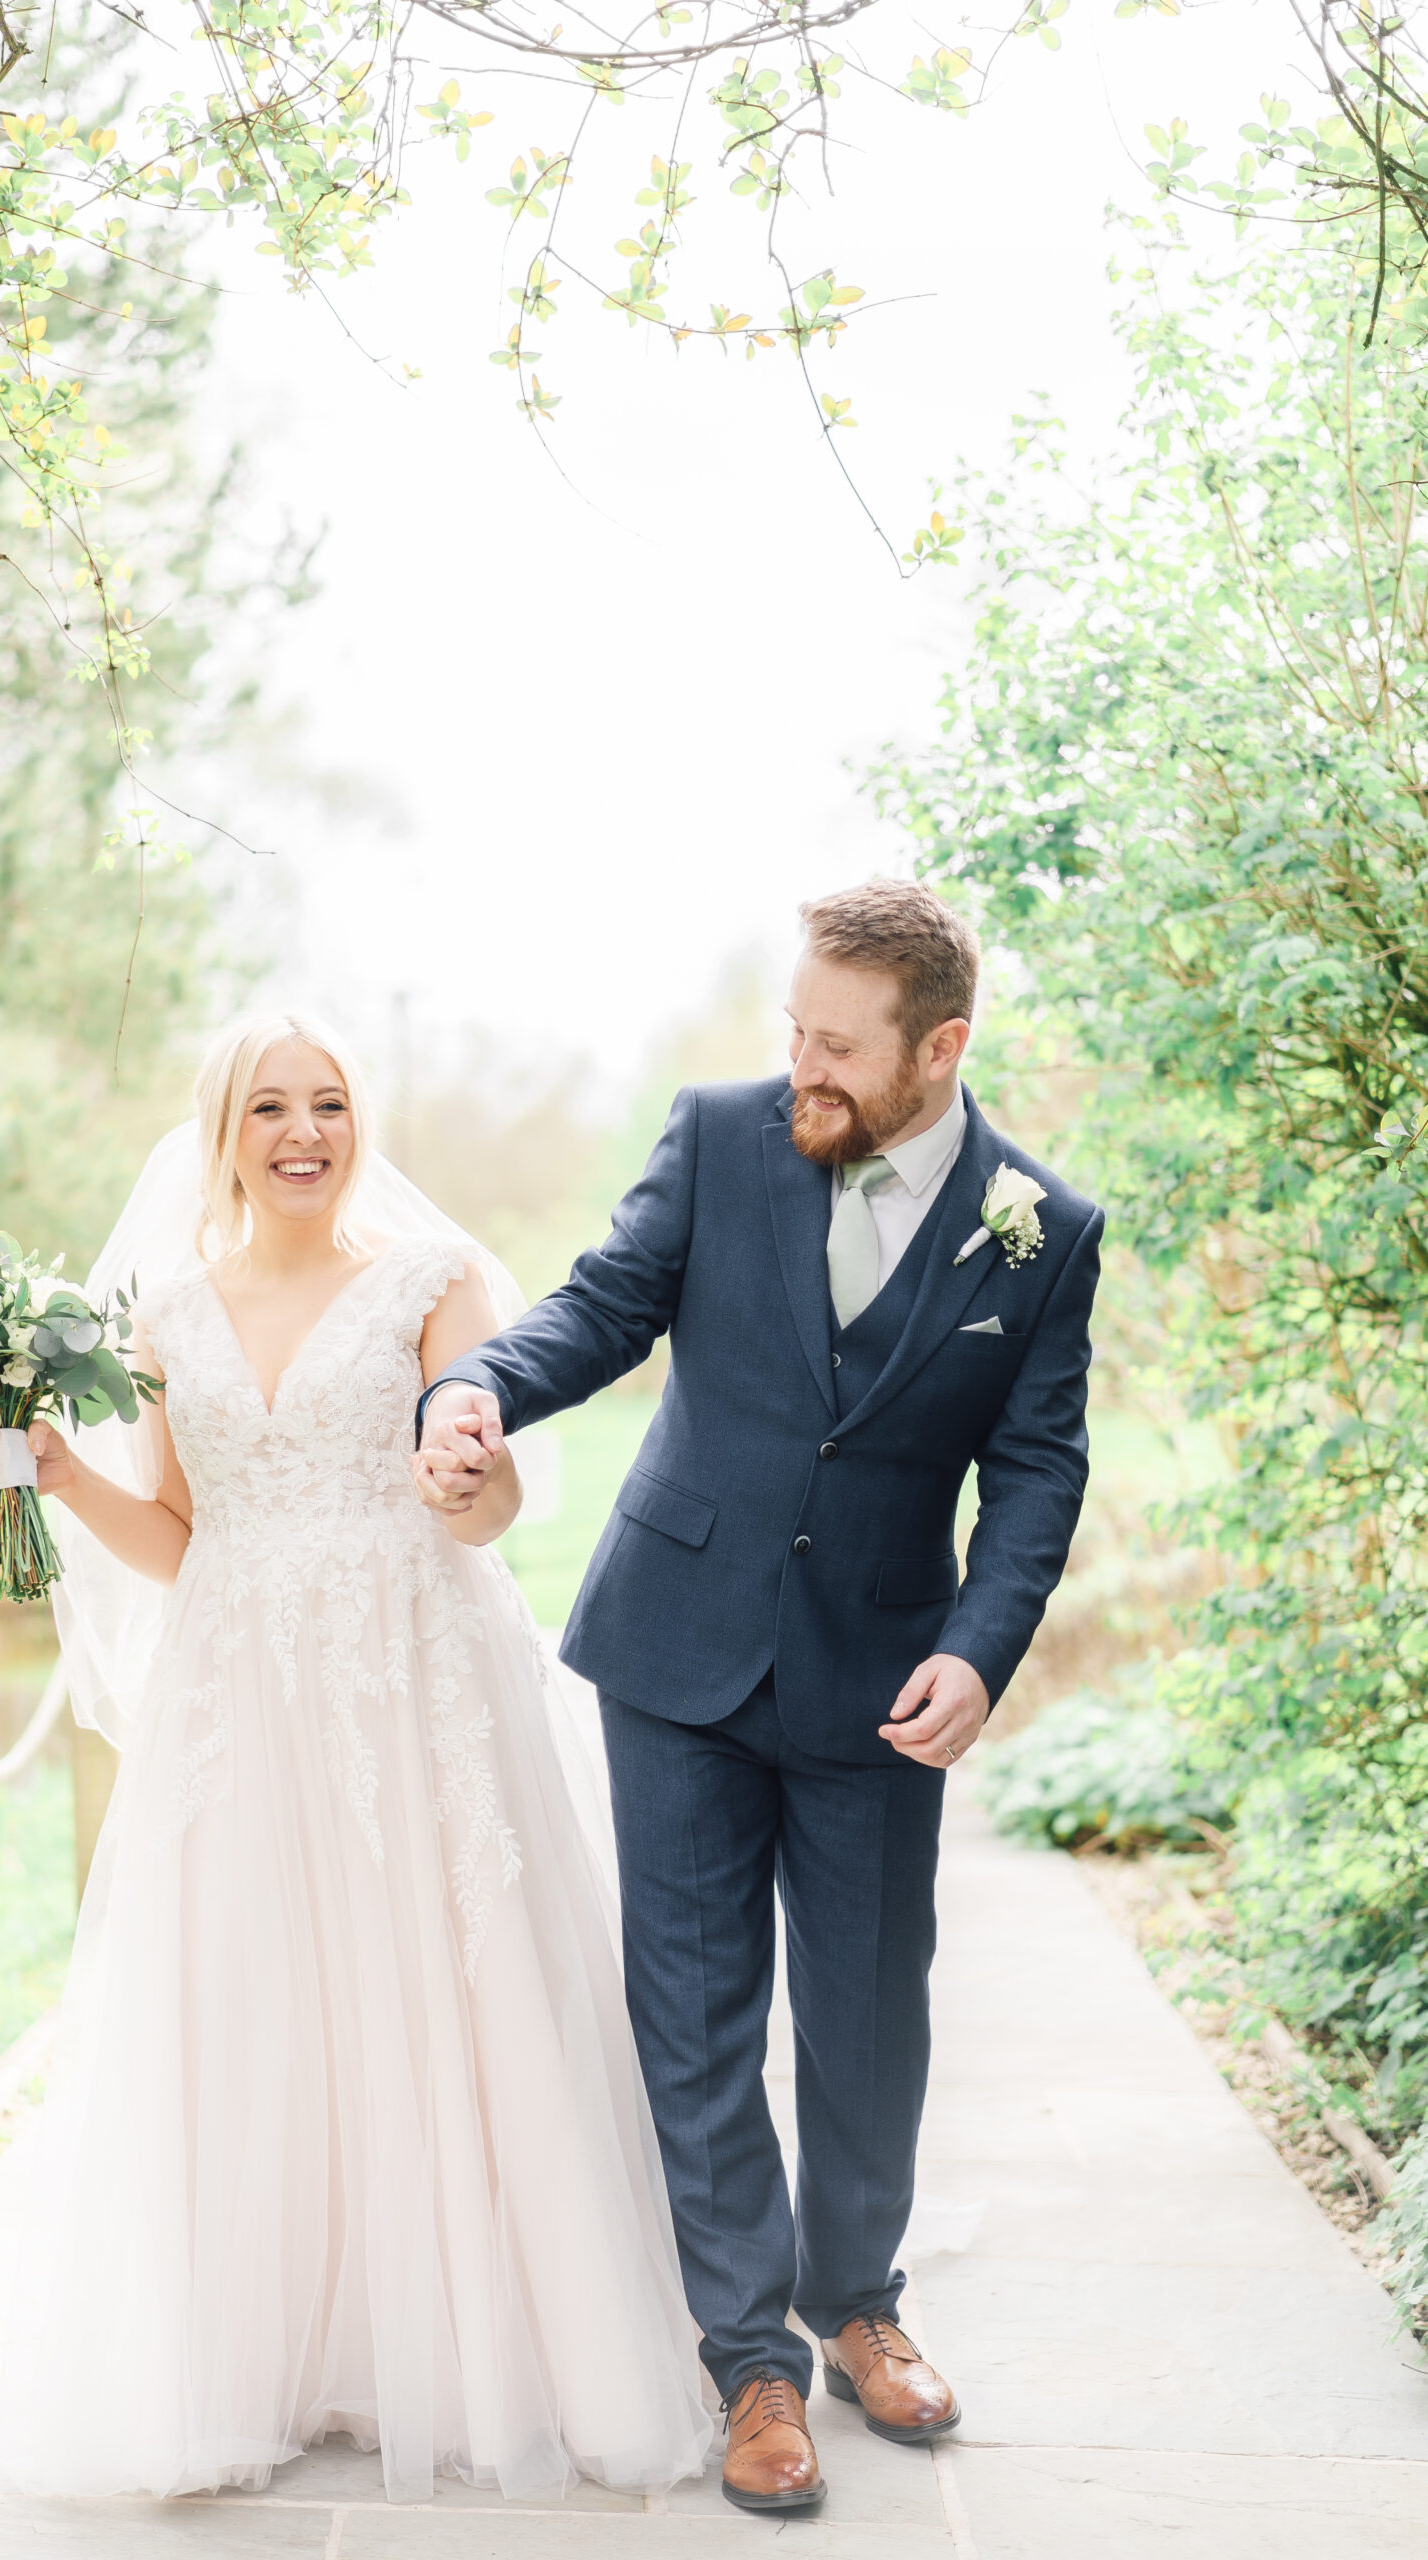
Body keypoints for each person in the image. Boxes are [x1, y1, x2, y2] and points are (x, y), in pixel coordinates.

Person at [415, 880, 1103, 2516]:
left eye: (839, 1045)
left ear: (939, 1049)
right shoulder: (724, 1137)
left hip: (883, 1676)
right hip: (678, 1650)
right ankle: (753, 2363)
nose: (802, 1061)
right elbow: (599, 1306)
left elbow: (1037, 1467)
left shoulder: (1043, 1228)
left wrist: (983, 1643)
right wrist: (475, 1385)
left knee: (869, 2014)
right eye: (792, 1025)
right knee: (697, 2012)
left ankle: (860, 2305)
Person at [0, 1011, 711, 2506]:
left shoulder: (436, 1285)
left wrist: (470, 1480)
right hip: (241, 1686)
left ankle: (484, 2350)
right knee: (261, 1997)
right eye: (270, 1109)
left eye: (327, 1105)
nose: (303, 1133)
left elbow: (484, 1512)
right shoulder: (169, 1313)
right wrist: (56, 1472)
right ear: (222, 1132)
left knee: (445, 1992)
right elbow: (182, 1540)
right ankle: (275, 2356)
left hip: (412, 1670)